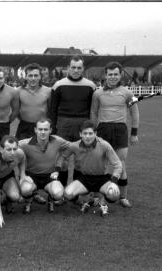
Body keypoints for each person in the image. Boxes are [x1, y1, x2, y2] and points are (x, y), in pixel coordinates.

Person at [90, 61, 139, 208]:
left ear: (120, 75)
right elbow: (93, 112)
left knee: (121, 164)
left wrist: (134, 133)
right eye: (110, 74)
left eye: (115, 74)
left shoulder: (128, 93)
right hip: (103, 129)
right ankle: (98, 196)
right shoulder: (97, 93)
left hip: (120, 130)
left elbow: (135, 113)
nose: (112, 77)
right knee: (101, 166)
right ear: (106, 75)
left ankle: (123, 197)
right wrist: (93, 132)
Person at [49, 55, 96, 188]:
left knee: (80, 159)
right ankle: (61, 191)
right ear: (68, 68)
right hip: (63, 124)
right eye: (73, 67)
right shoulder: (58, 85)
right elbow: (52, 109)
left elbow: (93, 109)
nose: (76, 70)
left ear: (83, 68)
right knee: (62, 159)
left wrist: (91, 128)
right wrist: (53, 128)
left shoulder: (90, 86)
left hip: (83, 124)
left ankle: (76, 193)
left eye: (79, 68)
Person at [61, 120, 122, 217]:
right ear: (80, 134)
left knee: (114, 194)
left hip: (102, 178)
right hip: (84, 178)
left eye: (90, 133)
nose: (88, 136)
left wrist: (114, 182)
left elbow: (118, 165)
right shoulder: (74, 146)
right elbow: (62, 156)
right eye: (85, 133)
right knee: (68, 194)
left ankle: (102, 202)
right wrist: (57, 169)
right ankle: (87, 201)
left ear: (95, 134)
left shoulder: (104, 145)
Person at [15, 63, 52, 205]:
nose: (33, 78)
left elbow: (50, 111)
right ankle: (24, 189)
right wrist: (26, 120)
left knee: (38, 159)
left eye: (36, 75)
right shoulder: (18, 91)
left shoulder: (48, 91)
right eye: (30, 75)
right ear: (26, 76)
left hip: (41, 129)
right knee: (21, 158)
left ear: (40, 76)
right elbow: (16, 111)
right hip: (24, 127)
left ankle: (35, 191)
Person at [18, 118, 71, 214]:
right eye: (40, 129)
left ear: (50, 130)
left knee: (58, 193)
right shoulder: (25, 143)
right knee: (25, 190)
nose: (43, 132)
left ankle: (50, 200)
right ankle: (29, 200)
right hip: (32, 176)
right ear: (35, 130)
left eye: (46, 129)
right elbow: (8, 145)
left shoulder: (57, 141)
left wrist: (59, 164)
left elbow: (71, 147)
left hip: (50, 176)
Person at [0, 135, 26, 228]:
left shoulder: (19, 153)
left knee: (15, 196)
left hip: (7, 176)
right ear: (1, 149)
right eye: (9, 149)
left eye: (14, 149)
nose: (12, 153)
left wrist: (22, 174)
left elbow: (23, 159)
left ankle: (8, 201)